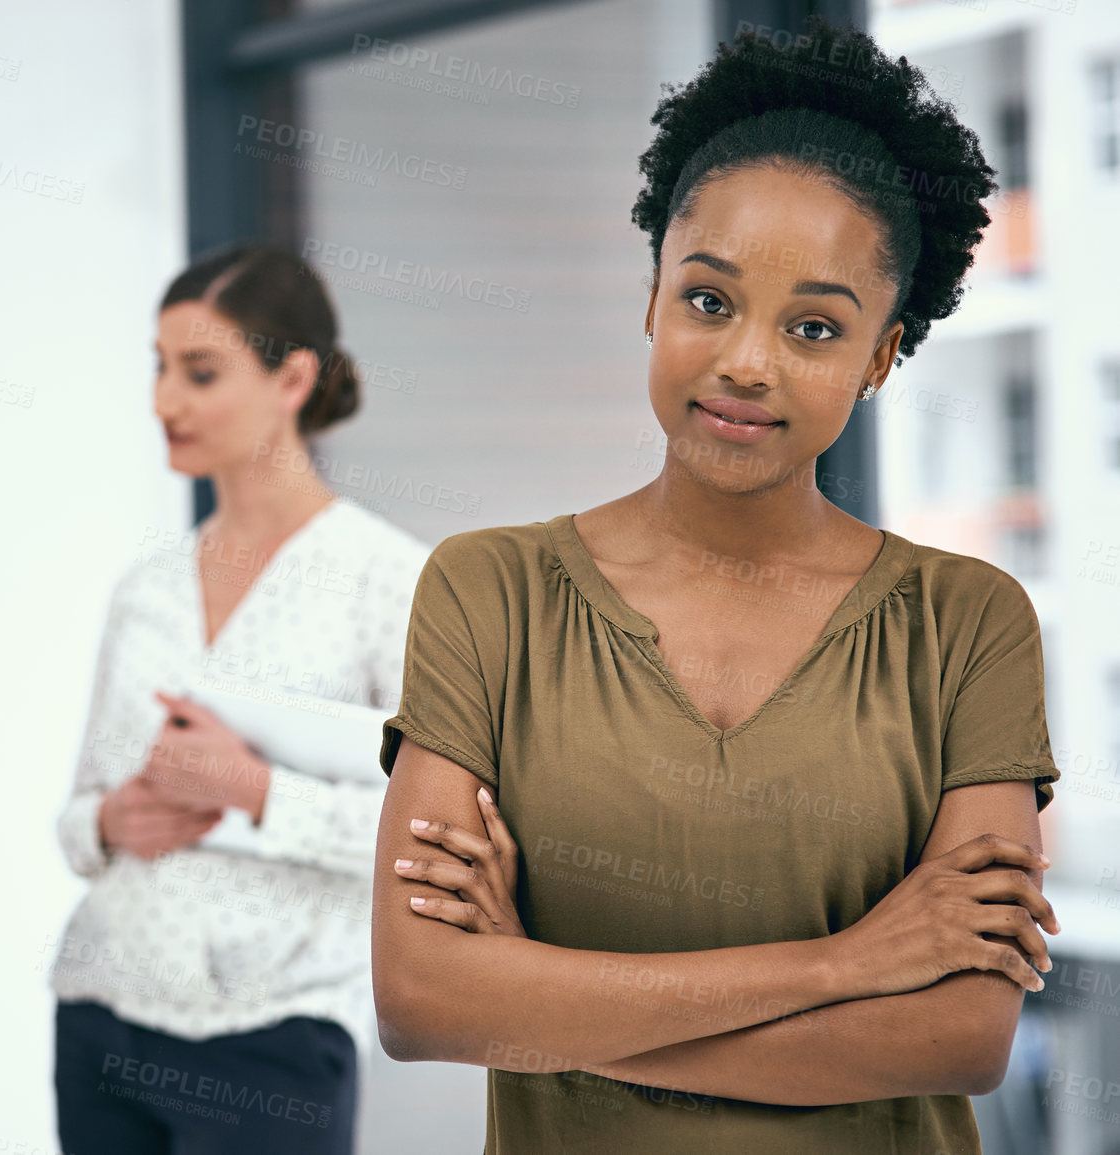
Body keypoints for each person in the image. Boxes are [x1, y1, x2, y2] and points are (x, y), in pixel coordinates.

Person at [371, 19, 1061, 1155]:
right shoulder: (489, 592)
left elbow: (958, 1037)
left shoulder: (966, 623)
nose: (748, 360)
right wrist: (849, 964)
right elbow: (422, 1003)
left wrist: (528, 996)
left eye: (814, 327)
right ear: (651, 297)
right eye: (708, 300)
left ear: (881, 358)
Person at [47, 243, 431, 1153]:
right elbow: (75, 817)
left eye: (199, 371)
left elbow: (429, 840)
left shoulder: (390, 580)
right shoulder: (146, 588)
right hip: (100, 1017)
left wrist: (253, 791)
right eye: (158, 367)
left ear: (292, 376)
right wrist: (112, 820)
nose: (162, 400)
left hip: (276, 1039)